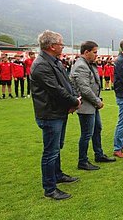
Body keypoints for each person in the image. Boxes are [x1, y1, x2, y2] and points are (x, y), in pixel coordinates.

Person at [30, 30, 81, 200]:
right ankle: (50, 188)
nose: (62, 46)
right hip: (50, 114)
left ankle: (57, 175)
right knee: (50, 151)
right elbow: (56, 90)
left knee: (56, 147)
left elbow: (67, 84)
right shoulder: (41, 65)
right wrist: (74, 102)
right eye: (61, 44)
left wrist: (74, 99)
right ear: (52, 46)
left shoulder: (54, 62)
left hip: (59, 111)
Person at [70, 41, 116, 170]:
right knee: (86, 133)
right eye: (95, 52)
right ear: (86, 52)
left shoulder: (88, 64)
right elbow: (84, 89)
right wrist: (97, 101)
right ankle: (82, 161)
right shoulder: (81, 66)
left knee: (97, 129)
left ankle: (99, 154)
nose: (97, 55)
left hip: (92, 105)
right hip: (86, 105)